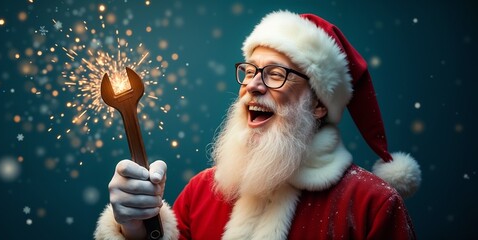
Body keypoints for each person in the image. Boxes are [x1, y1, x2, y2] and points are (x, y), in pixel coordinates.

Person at [94, 10, 422, 240]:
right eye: (249, 71)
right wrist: (134, 229)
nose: (253, 85)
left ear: (319, 103)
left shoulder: (373, 205)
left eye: (275, 74)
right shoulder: (200, 193)